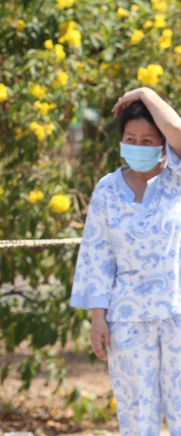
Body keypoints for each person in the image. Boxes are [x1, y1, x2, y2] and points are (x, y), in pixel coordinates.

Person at [71, 87, 181, 435]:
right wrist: (97, 318)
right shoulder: (106, 189)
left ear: (163, 143)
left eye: (149, 140)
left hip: (178, 315)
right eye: (131, 138)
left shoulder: (178, 180)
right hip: (128, 320)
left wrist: (145, 93)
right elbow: (97, 256)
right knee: (136, 418)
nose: (139, 145)